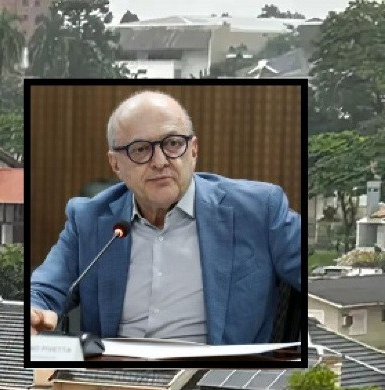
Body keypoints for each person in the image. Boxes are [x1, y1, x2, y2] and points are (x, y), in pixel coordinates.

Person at [29, 90, 301, 345]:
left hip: (217, 377)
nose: (160, 161)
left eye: (172, 144)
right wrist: (36, 311)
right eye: (140, 149)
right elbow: (43, 289)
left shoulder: (258, 210)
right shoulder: (89, 220)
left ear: (193, 150)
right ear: (115, 164)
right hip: (117, 376)